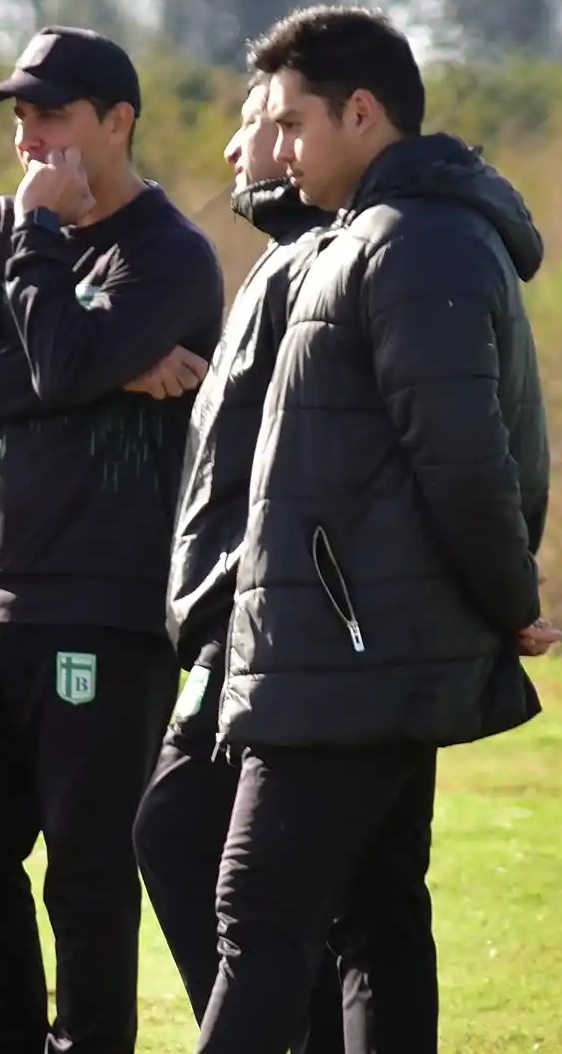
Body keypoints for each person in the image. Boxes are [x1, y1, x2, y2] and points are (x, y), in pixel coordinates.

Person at [195, 5, 561, 1054]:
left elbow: (464, 452)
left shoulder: (417, 244)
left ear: (364, 114)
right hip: (355, 650)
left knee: (259, 912)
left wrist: (512, 602)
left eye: (295, 125)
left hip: (349, 654)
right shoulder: (366, 238)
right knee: (376, 916)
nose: (281, 150)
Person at [0, 24, 226, 1054]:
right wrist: (110, 366)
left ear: (117, 121)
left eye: (51, 115)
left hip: (102, 603)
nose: (29, 139)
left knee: (89, 871)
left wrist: (47, 257)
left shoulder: (172, 256)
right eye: (20, 117)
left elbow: (49, 366)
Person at [131, 74, 345, 1053]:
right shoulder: (283, 260)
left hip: (281, 624)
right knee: (197, 842)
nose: (236, 150)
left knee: (190, 835)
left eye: (260, 125)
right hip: (238, 620)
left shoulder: (330, 263)